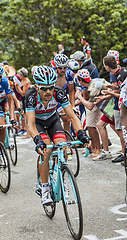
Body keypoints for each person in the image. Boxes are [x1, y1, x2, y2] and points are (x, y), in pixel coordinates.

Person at [25, 65, 90, 205]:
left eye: (51, 87)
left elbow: (72, 116)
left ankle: (61, 178)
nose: (48, 91)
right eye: (44, 88)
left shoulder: (58, 93)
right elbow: (30, 124)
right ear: (37, 86)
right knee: (47, 149)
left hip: (53, 120)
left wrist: (81, 133)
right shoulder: (30, 96)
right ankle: (45, 188)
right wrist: (38, 140)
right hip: (38, 124)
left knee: (63, 146)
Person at [75, 69, 111, 159]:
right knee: (95, 125)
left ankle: (98, 150)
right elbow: (87, 100)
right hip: (104, 104)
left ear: (80, 80)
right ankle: (97, 149)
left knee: (93, 126)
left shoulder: (93, 88)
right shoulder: (92, 82)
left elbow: (89, 106)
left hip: (110, 105)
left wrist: (79, 96)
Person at [103, 55, 127, 162]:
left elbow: (122, 95)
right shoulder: (122, 71)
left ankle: (124, 153)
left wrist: (108, 93)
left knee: (121, 129)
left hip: (123, 105)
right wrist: (112, 87)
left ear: (107, 67)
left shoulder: (119, 76)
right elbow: (121, 88)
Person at [54, 54, 75, 133]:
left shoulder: (69, 74)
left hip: (62, 98)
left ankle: (67, 140)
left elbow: (71, 91)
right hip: (51, 98)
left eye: (65, 67)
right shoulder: (52, 74)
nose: (62, 70)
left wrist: (73, 106)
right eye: (60, 68)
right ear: (56, 67)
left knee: (67, 119)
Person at [15, 67, 31, 137]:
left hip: (27, 100)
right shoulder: (22, 81)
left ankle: (28, 133)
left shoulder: (27, 82)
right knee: (24, 117)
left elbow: (23, 93)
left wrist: (18, 86)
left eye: (19, 74)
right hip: (23, 100)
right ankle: (28, 132)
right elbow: (19, 91)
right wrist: (16, 87)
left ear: (22, 75)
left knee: (27, 118)